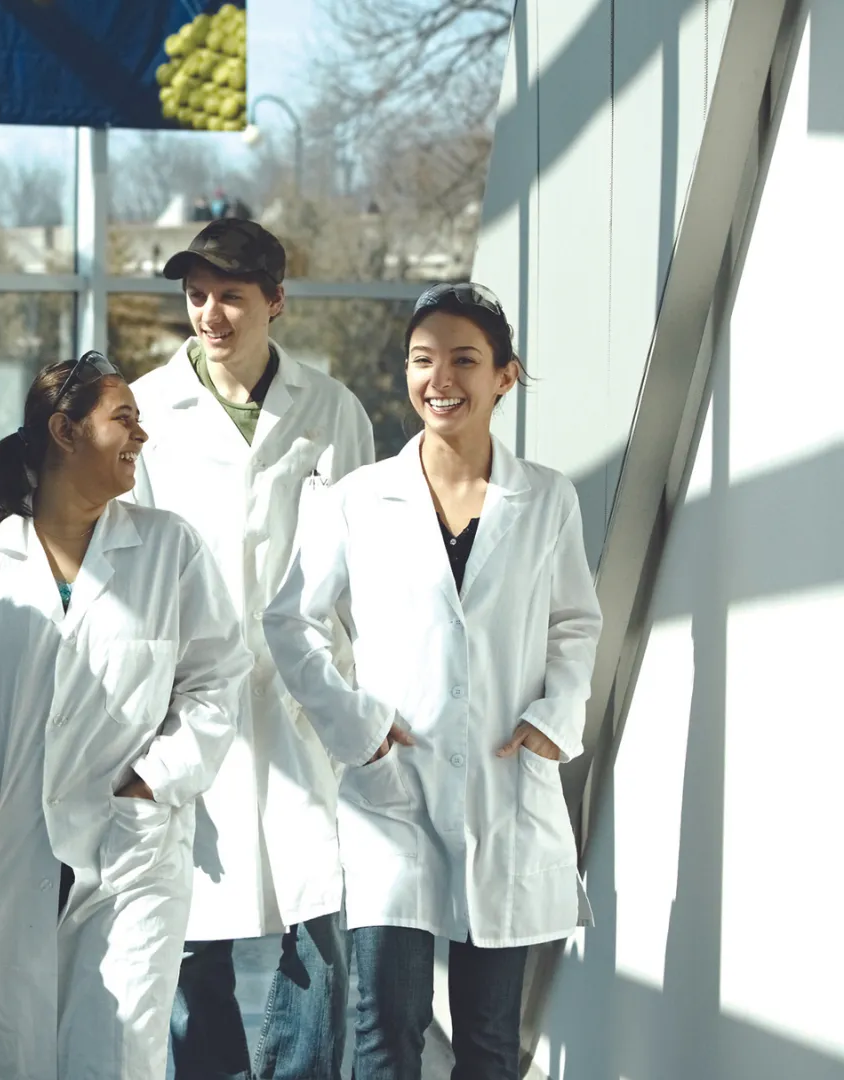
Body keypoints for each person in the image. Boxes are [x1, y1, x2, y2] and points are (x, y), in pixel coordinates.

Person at [263, 283, 602, 1080]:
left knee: (488, 1042)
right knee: (386, 1033)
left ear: (504, 377)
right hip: (395, 795)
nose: (439, 378)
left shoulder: (546, 498)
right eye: (422, 359)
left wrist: (556, 713)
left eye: (463, 359)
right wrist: (357, 725)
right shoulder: (358, 499)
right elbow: (291, 622)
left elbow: (574, 624)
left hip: (502, 784)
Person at [0, 353, 253, 1080]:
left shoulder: (169, 549)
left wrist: (154, 784)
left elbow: (216, 680)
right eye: (123, 418)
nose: (142, 436)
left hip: (129, 851)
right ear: (65, 431)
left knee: (116, 1054)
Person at [132, 217, 376, 1080]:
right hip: (189, 696)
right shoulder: (145, 410)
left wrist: (360, 697)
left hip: (301, 698)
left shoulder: (332, 409)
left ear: (276, 301)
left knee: (319, 915)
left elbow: (359, 570)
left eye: (231, 296)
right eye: (196, 296)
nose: (210, 314)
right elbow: (135, 566)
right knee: (189, 936)